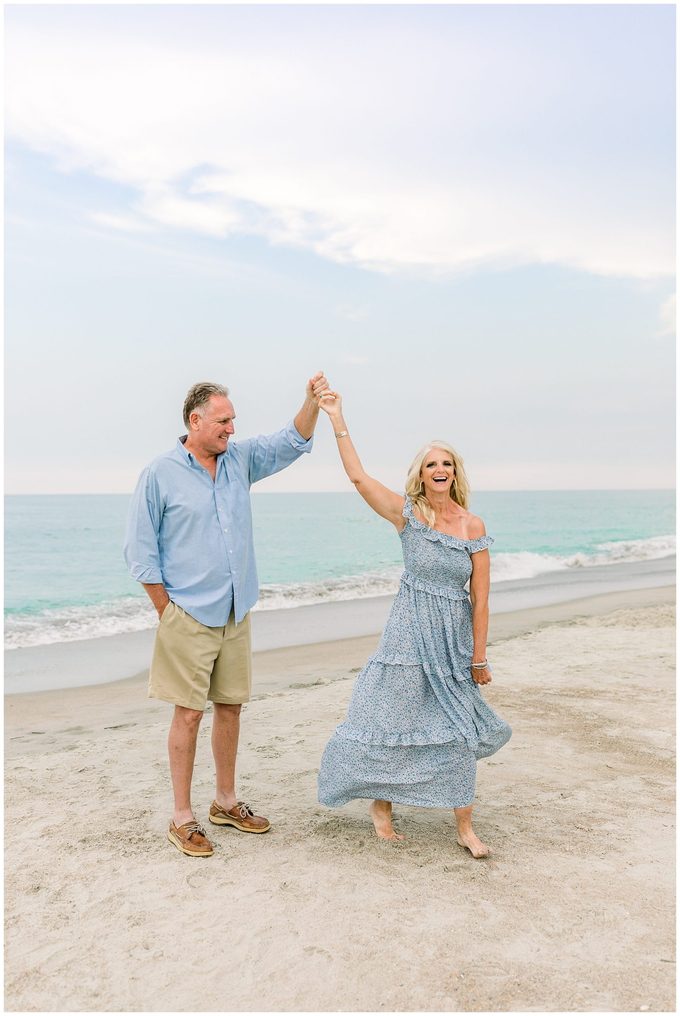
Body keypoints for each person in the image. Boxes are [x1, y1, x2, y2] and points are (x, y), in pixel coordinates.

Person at [124, 373, 329, 857]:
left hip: (236, 610)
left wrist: (311, 402)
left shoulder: (240, 461)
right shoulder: (159, 473)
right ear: (195, 422)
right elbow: (139, 550)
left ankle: (225, 802)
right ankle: (182, 817)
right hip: (187, 614)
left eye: (233, 420)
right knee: (189, 714)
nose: (232, 429)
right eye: (223, 421)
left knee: (231, 707)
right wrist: (166, 612)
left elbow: (292, 439)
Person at [315, 391, 511, 857]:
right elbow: (359, 478)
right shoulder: (408, 515)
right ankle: (381, 804)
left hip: (453, 639)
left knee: (459, 727)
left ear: (455, 472)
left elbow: (480, 600)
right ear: (420, 475)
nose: (439, 470)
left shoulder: (473, 527)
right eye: (430, 465)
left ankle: (464, 826)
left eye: (446, 463)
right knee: (392, 719)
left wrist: (478, 656)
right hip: (407, 633)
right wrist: (337, 418)